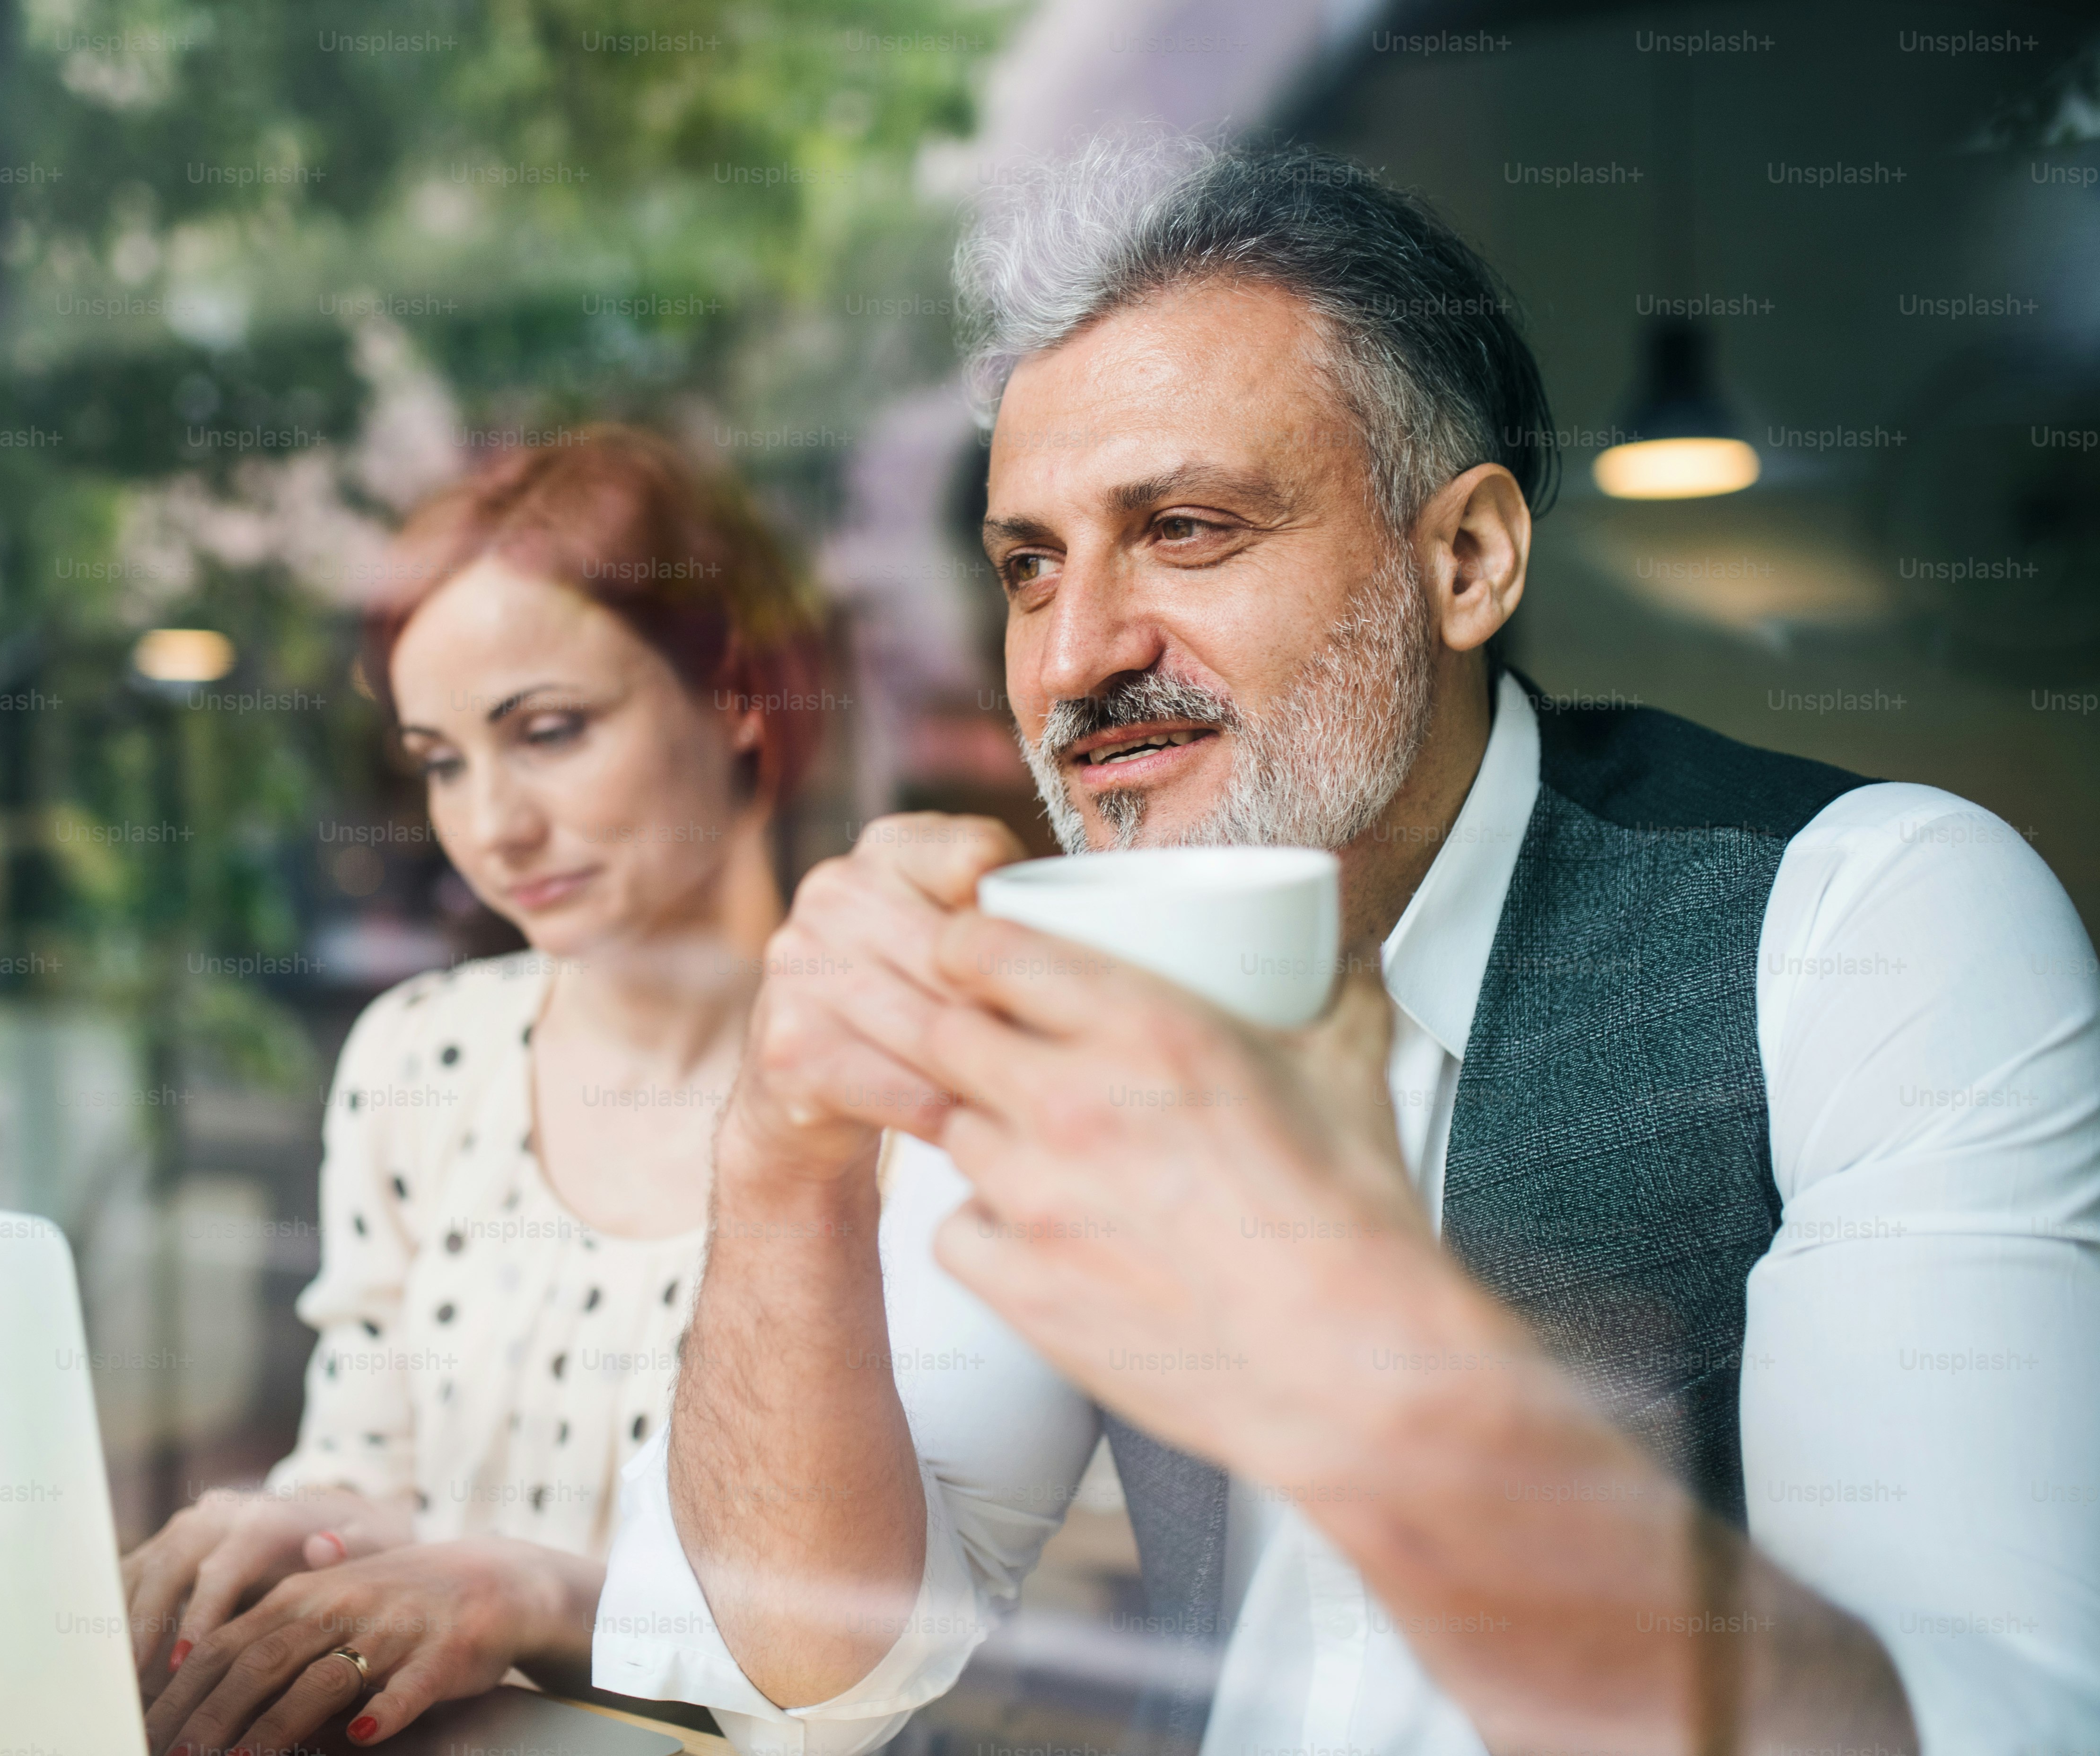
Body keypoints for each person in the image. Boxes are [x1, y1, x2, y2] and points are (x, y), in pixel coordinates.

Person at [592, 136, 2100, 1756]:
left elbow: (1994, 1729)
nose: (1077, 654)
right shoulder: (1073, 967)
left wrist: (1384, 1378)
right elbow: (814, 1665)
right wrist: (785, 1161)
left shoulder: (1870, 922)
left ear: (1465, 562)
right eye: (1029, 564)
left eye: (1183, 527)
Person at [127, 425, 829, 1755]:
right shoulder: (418, 1058)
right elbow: (374, 1467)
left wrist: (530, 1596)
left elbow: (860, 1646)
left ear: (735, 697)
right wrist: (305, 1528)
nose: (491, 826)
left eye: (548, 732)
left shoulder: (885, 1095)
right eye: (442, 760)